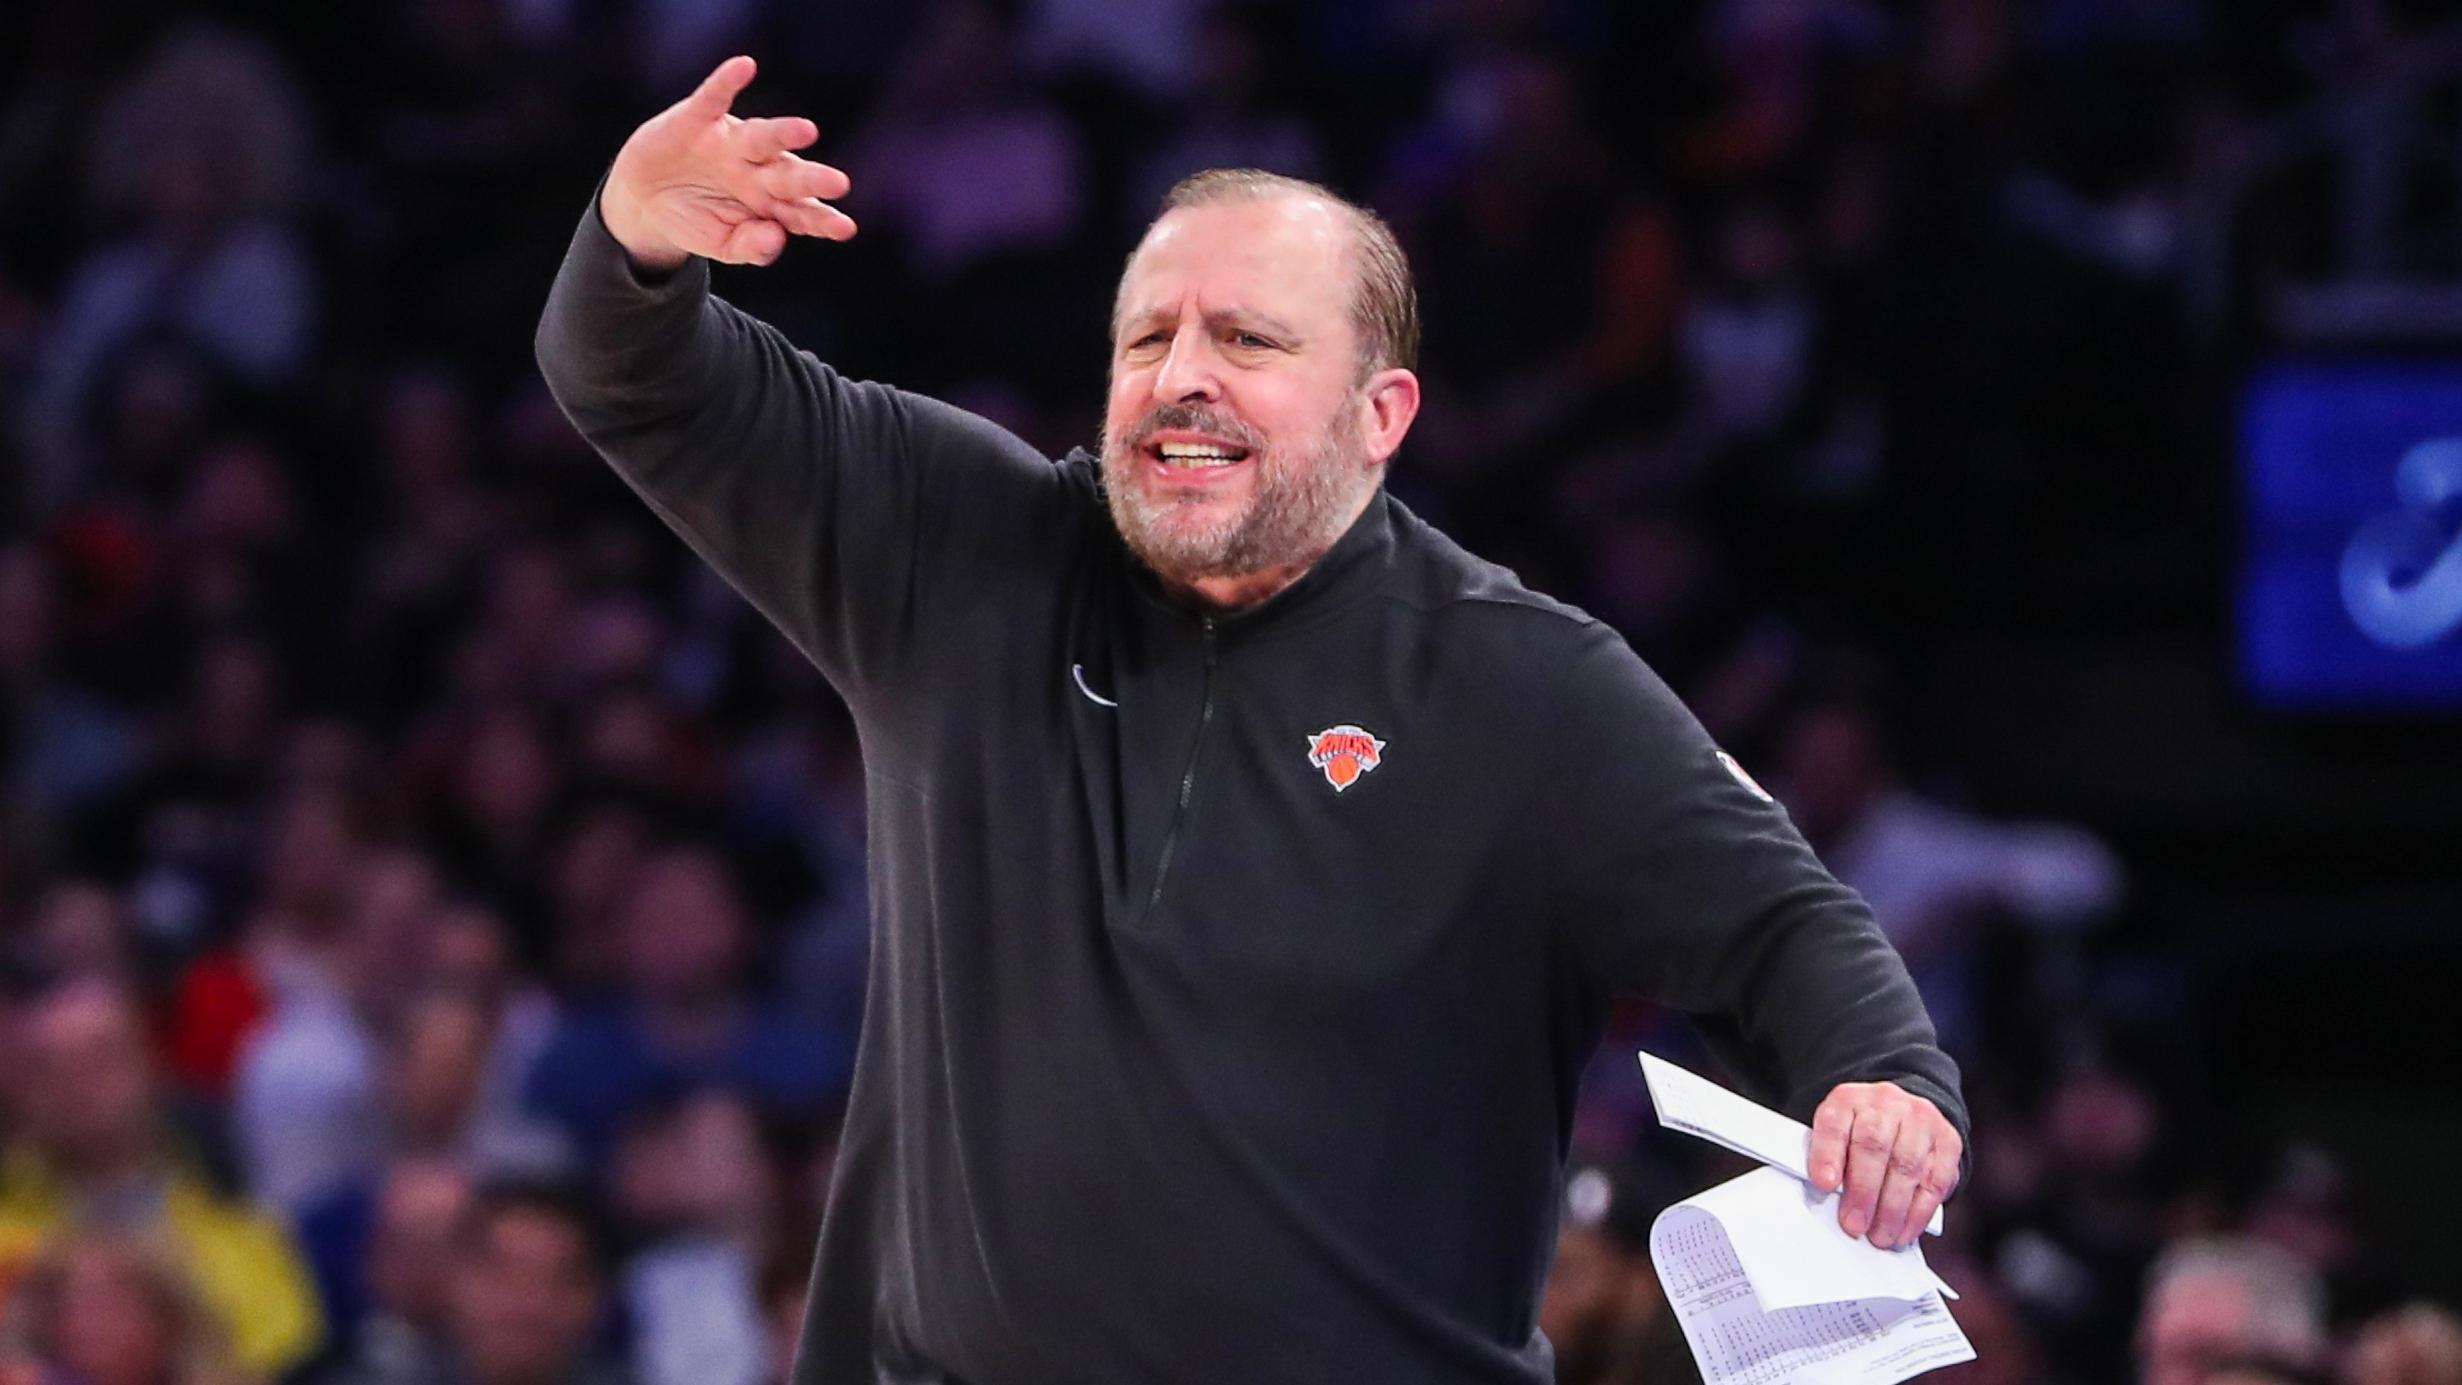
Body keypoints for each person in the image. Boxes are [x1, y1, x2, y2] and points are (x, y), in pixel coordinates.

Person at [535, 54, 1969, 1384]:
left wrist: (1889, 1087)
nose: (1181, 375)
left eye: (1247, 337)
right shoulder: (968, 550)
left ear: (1379, 412)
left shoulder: (1519, 682)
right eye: (1147, 334)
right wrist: (635, 234)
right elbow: (637, 379)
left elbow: (1787, 930)